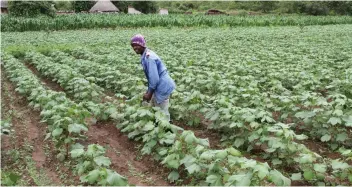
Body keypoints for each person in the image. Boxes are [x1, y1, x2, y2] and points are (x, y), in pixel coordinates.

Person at [130, 34, 176, 122]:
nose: (135, 47)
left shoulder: (149, 58)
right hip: (160, 85)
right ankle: (161, 125)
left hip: (162, 85)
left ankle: (166, 129)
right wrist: (148, 92)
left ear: (142, 45)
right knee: (157, 107)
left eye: (137, 45)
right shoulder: (145, 55)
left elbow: (154, 79)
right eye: (133, 46)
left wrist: (149, 93)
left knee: (162, 111)